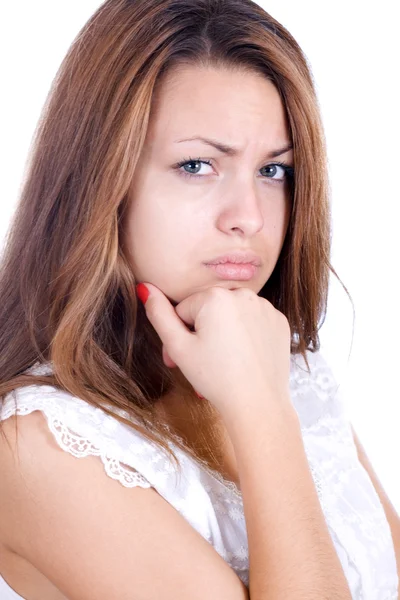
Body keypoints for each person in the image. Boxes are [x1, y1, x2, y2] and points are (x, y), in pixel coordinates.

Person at [0, 0, 398, 598]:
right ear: (100, 181)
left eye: (274, 172)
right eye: (197, 164)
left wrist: (267, 393)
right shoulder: (36, 444)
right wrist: (262, 412)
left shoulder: (285, 369)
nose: (250, 218)